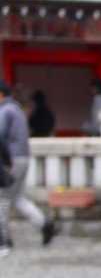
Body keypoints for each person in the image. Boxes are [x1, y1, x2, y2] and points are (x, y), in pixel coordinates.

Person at [0, 82, 55, 251]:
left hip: (11, 160)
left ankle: (4, 240)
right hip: (23, 157)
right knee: (17, 198)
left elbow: (0, 137)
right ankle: (44, 223)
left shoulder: (5, 111)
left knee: (2, 200)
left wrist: (6, 162)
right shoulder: (17, 109)